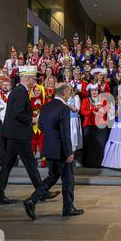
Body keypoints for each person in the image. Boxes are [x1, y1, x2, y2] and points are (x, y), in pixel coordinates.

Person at [0, 66, 59, 206]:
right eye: (34, 79)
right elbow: (17, 113)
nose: (35, 82)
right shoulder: (20, 92)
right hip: (18, 135)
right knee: (30, 164)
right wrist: (32, 120)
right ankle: (41, 192)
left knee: (9, 166)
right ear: (28, 78)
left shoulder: (19, 91)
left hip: (15, 134)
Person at [23, 84, 84, 220]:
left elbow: (40, 126)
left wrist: (51, 137)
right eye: (69, 92)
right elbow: (65, 132)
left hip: (49, 148)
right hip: (61, 150)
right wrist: (69, 152)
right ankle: (68, 208)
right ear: (64, 93)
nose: (70, 95)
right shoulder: (63, 108)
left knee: (52, 177)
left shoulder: (45, 106)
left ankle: (32, 200)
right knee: (68, 179)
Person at [80, 83, 111, 168]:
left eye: (96, 90)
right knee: (89, 145)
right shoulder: (85, 100)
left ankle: (101, 163)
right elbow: (83, 111)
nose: (94, 92)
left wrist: (100, 111)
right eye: (92, 90)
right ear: (90, 91)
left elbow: (107, 109)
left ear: (98, 91)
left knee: (101, 144)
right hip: (89, 125)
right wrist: (92, 111)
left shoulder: (103, 99)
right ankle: (88, 163)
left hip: (101, 125)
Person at [67, 85, 83, 152]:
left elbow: (77, 109)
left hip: (73, 120)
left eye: (69, 89)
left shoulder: (75, 97)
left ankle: (72, 154)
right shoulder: (63, 98)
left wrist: (70, 107)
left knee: (73, 137)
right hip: (65, 120)